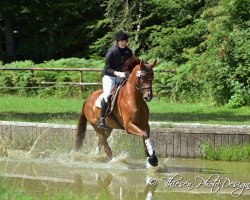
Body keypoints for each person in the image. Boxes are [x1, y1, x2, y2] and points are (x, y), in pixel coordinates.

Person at [97, 30, 133, 130]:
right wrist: (118, 73)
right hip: (109, 76)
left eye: (125, 40)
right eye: (121, 40)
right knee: (108, 94)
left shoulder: (128, 52)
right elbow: (107, 68)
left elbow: (132, 64)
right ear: (117, 41)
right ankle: (102, 119)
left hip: (122, 76)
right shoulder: (111, 52)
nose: (123, 42)